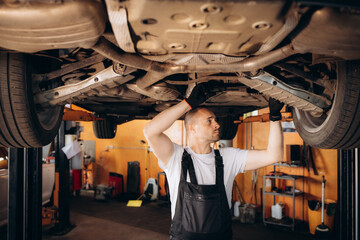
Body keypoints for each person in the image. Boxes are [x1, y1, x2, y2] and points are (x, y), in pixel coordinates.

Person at [143, 83, 284, 240]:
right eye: (209, 121)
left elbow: (274, 155)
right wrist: (187, 103)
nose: (217, 125)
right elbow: (150, 131)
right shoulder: (175, 157)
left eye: (215, 120)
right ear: (192, 129)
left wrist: (275, 116)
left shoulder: (228, 158)